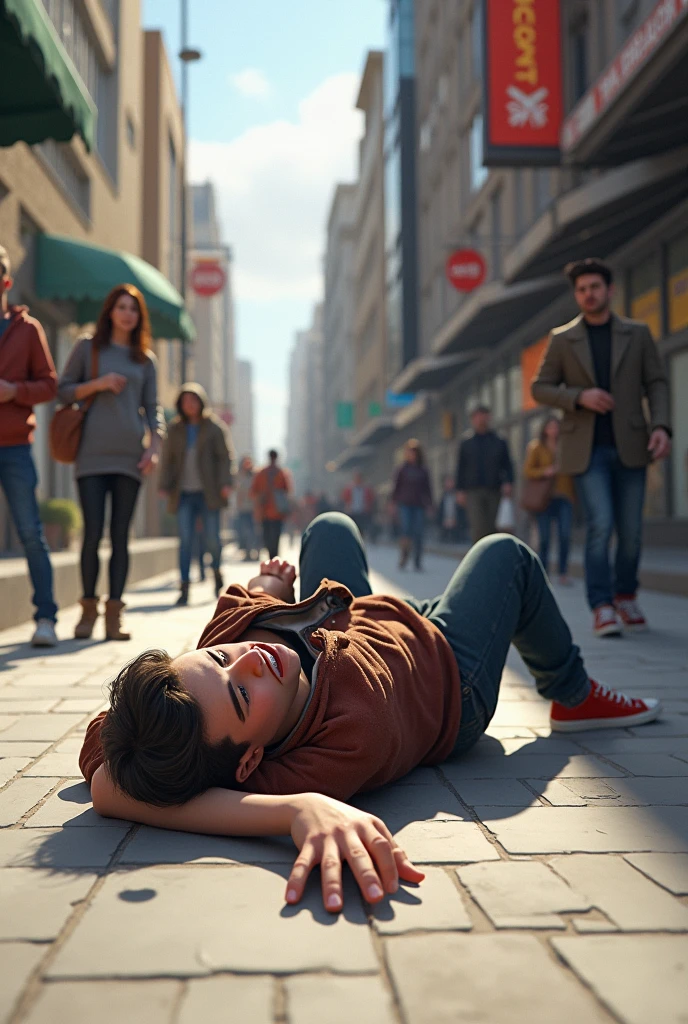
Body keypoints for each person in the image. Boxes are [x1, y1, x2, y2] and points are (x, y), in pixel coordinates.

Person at [79, 513, 661, 915]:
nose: (251, 659)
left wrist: (262, 591)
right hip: (450, 671)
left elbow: (106, 759)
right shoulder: (336, 745)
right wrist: (293, 812)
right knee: (504, 554)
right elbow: (111, 791)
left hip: (373, 614)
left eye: (219, 657)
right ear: (251, 759)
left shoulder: (195, 685)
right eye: (239, 695)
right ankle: (573, 690)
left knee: (329, 527)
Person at [532, 258, 671, 638]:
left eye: (594, 287)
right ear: (576, 295)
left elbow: (656, 382)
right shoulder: (563, 339)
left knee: (631, 531)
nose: (588, 294)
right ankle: (602, 605)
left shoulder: (637, 334)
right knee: (601, 525)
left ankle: (625, 594)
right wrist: (580, 396)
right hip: (585, 449)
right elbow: (539, 387)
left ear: (609, 290)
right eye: (581, 289)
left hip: (632, 443)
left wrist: (661, 426)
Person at [57, 284, 165, 641]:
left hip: (129, 458)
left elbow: (153, 409)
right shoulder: (89, 348)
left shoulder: (145, 359)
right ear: (110, 311)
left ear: (139, 317)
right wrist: (98, 383)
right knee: (92, 534)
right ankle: (87, 612)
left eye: (133, 309)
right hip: (90, 454)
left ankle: (114, 616)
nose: (127, 314)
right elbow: (64, 389)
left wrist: (153, 447)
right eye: (121, 307)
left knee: (120, 536)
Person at [0, 245, 59, 646]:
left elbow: (50, 384)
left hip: (15, 445)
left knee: (30, 532)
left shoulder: (28, 328)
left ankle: (46, 618)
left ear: (5, 282)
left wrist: (13, 391)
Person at [159, 383, 234, 607]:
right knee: (185, 541)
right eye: (185, 401)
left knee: (212, 538)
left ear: (201, 402)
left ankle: (217, 574)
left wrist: (226, 482)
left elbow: (226, 457)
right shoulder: (175, 429)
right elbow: (168, 460)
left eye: (193, 400)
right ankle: (184, 587)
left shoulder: (214, 427)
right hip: (183, 494)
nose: (189, 404)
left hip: (208, 492)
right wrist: (165, 485)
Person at [523, 417, 575, 585]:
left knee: (565, 535)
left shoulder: (567, 446)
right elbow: (528, 471)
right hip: (544, 498)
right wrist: (545, 472)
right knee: (544, 537)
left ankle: (563, 572)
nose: (554, 430)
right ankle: (543, 572)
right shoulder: (536, 447)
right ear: (545, 429)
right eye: (550, 427)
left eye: (556, 427)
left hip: (564, 496)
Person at [455, 405, 514, 544]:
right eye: (477, 416)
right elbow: (460, 469)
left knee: (494, 527)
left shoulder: (499, 441)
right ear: (472, 419)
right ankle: (479, 558)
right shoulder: (466, 443)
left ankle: (493, 558)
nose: (481, 419)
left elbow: (508, 465)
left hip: (494, 489)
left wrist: (508, 482)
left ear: (489, 417)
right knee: (478, 526)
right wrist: (460, 491)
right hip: (473, 491)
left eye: (483, 415)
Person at [391, 438, 433, 570]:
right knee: (406, 530)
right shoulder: (402, 470)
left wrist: (431, 504)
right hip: (405, 504)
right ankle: (404, 555)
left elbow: (428, 489)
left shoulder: (423, 470)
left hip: (419, 505)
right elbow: (396, 488)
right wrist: (392, 503)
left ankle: (417, 561)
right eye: (409, 452)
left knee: (419, 532)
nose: (411, 455)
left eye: (413, 452)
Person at [251, 449, 291, 559]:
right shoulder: (282, 473)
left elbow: (254, 491)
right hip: (277, 512)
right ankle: (274, 557)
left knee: (267, 536)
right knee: (275, 537)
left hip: (265, 512)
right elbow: (287, 491)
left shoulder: (261, 473)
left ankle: (272, 556)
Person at [235, 455, 258, 562]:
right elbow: (237, 492)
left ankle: (255, 552)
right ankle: (247, 553)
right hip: (242, 509)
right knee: (244, 532)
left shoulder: (255, 476)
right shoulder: (238, 476)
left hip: (253, 509)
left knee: (254, 532)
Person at [341, 471, 375, 540]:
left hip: (363, 512)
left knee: (361, 529)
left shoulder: (366, 489)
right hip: (352, 512)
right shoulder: (349, 488)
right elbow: (344, 498)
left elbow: (371, 499)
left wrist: (368, 507)